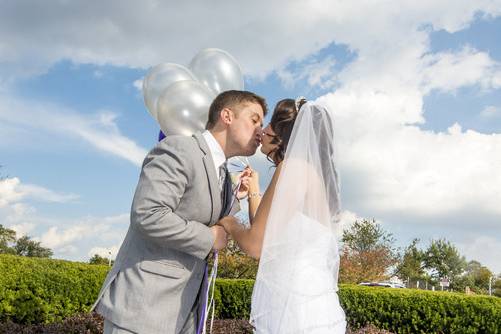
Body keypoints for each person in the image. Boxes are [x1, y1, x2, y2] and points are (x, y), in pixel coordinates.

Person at [91, 90, 267, 334]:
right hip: (144, 307)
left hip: (183, 312)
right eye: (254, 120)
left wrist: (237, 197)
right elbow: (149, 214)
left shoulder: (224, 174)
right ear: (227, 115)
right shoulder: (179, 148)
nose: (261, 131)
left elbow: (201, 213)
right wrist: (209, 239)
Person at [219, 98, 347, 333]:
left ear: (284, 134)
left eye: (269, 125)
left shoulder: (293, 167)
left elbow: (256, 246)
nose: (263, 130)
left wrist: (228, 221)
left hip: (294, 307)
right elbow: (267, 228)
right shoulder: (307, 172)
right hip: (311, 302)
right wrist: (254, 190)